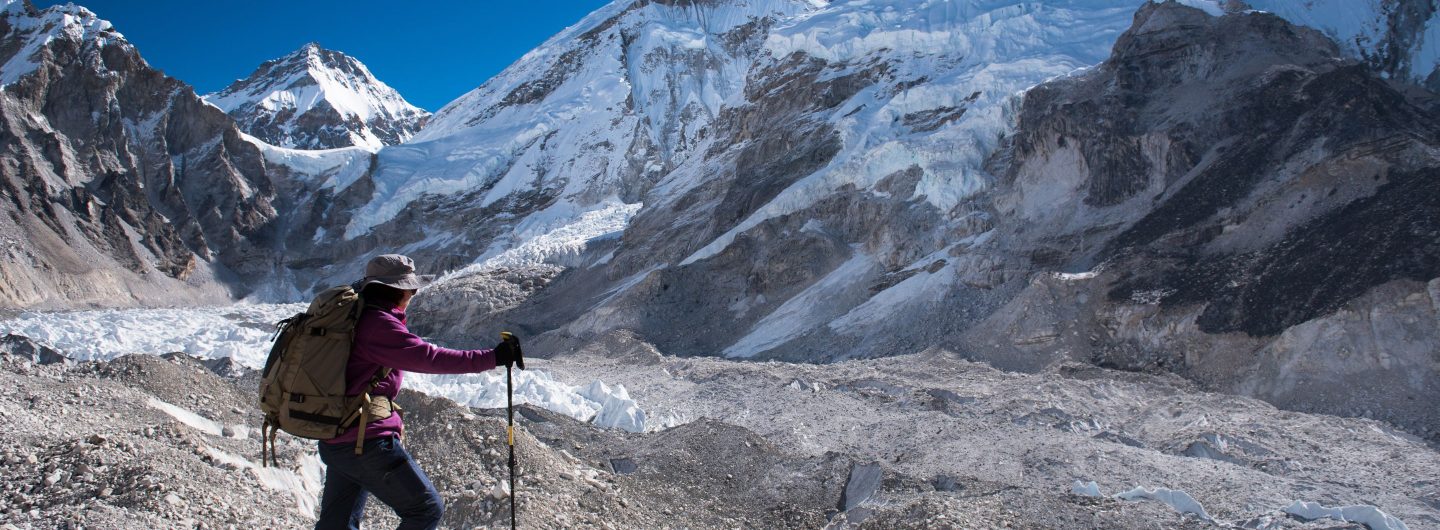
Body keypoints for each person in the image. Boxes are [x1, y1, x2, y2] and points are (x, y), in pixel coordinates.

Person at [315, 254, 522, 530]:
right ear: (397, 290)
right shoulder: (379, 325)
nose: (413, 294)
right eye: (411, 288)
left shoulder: (355, 318)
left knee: (336, 524)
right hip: (365, 442)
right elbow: (430, 358)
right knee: (425, 509)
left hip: (336, 437)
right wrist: (493, 358)